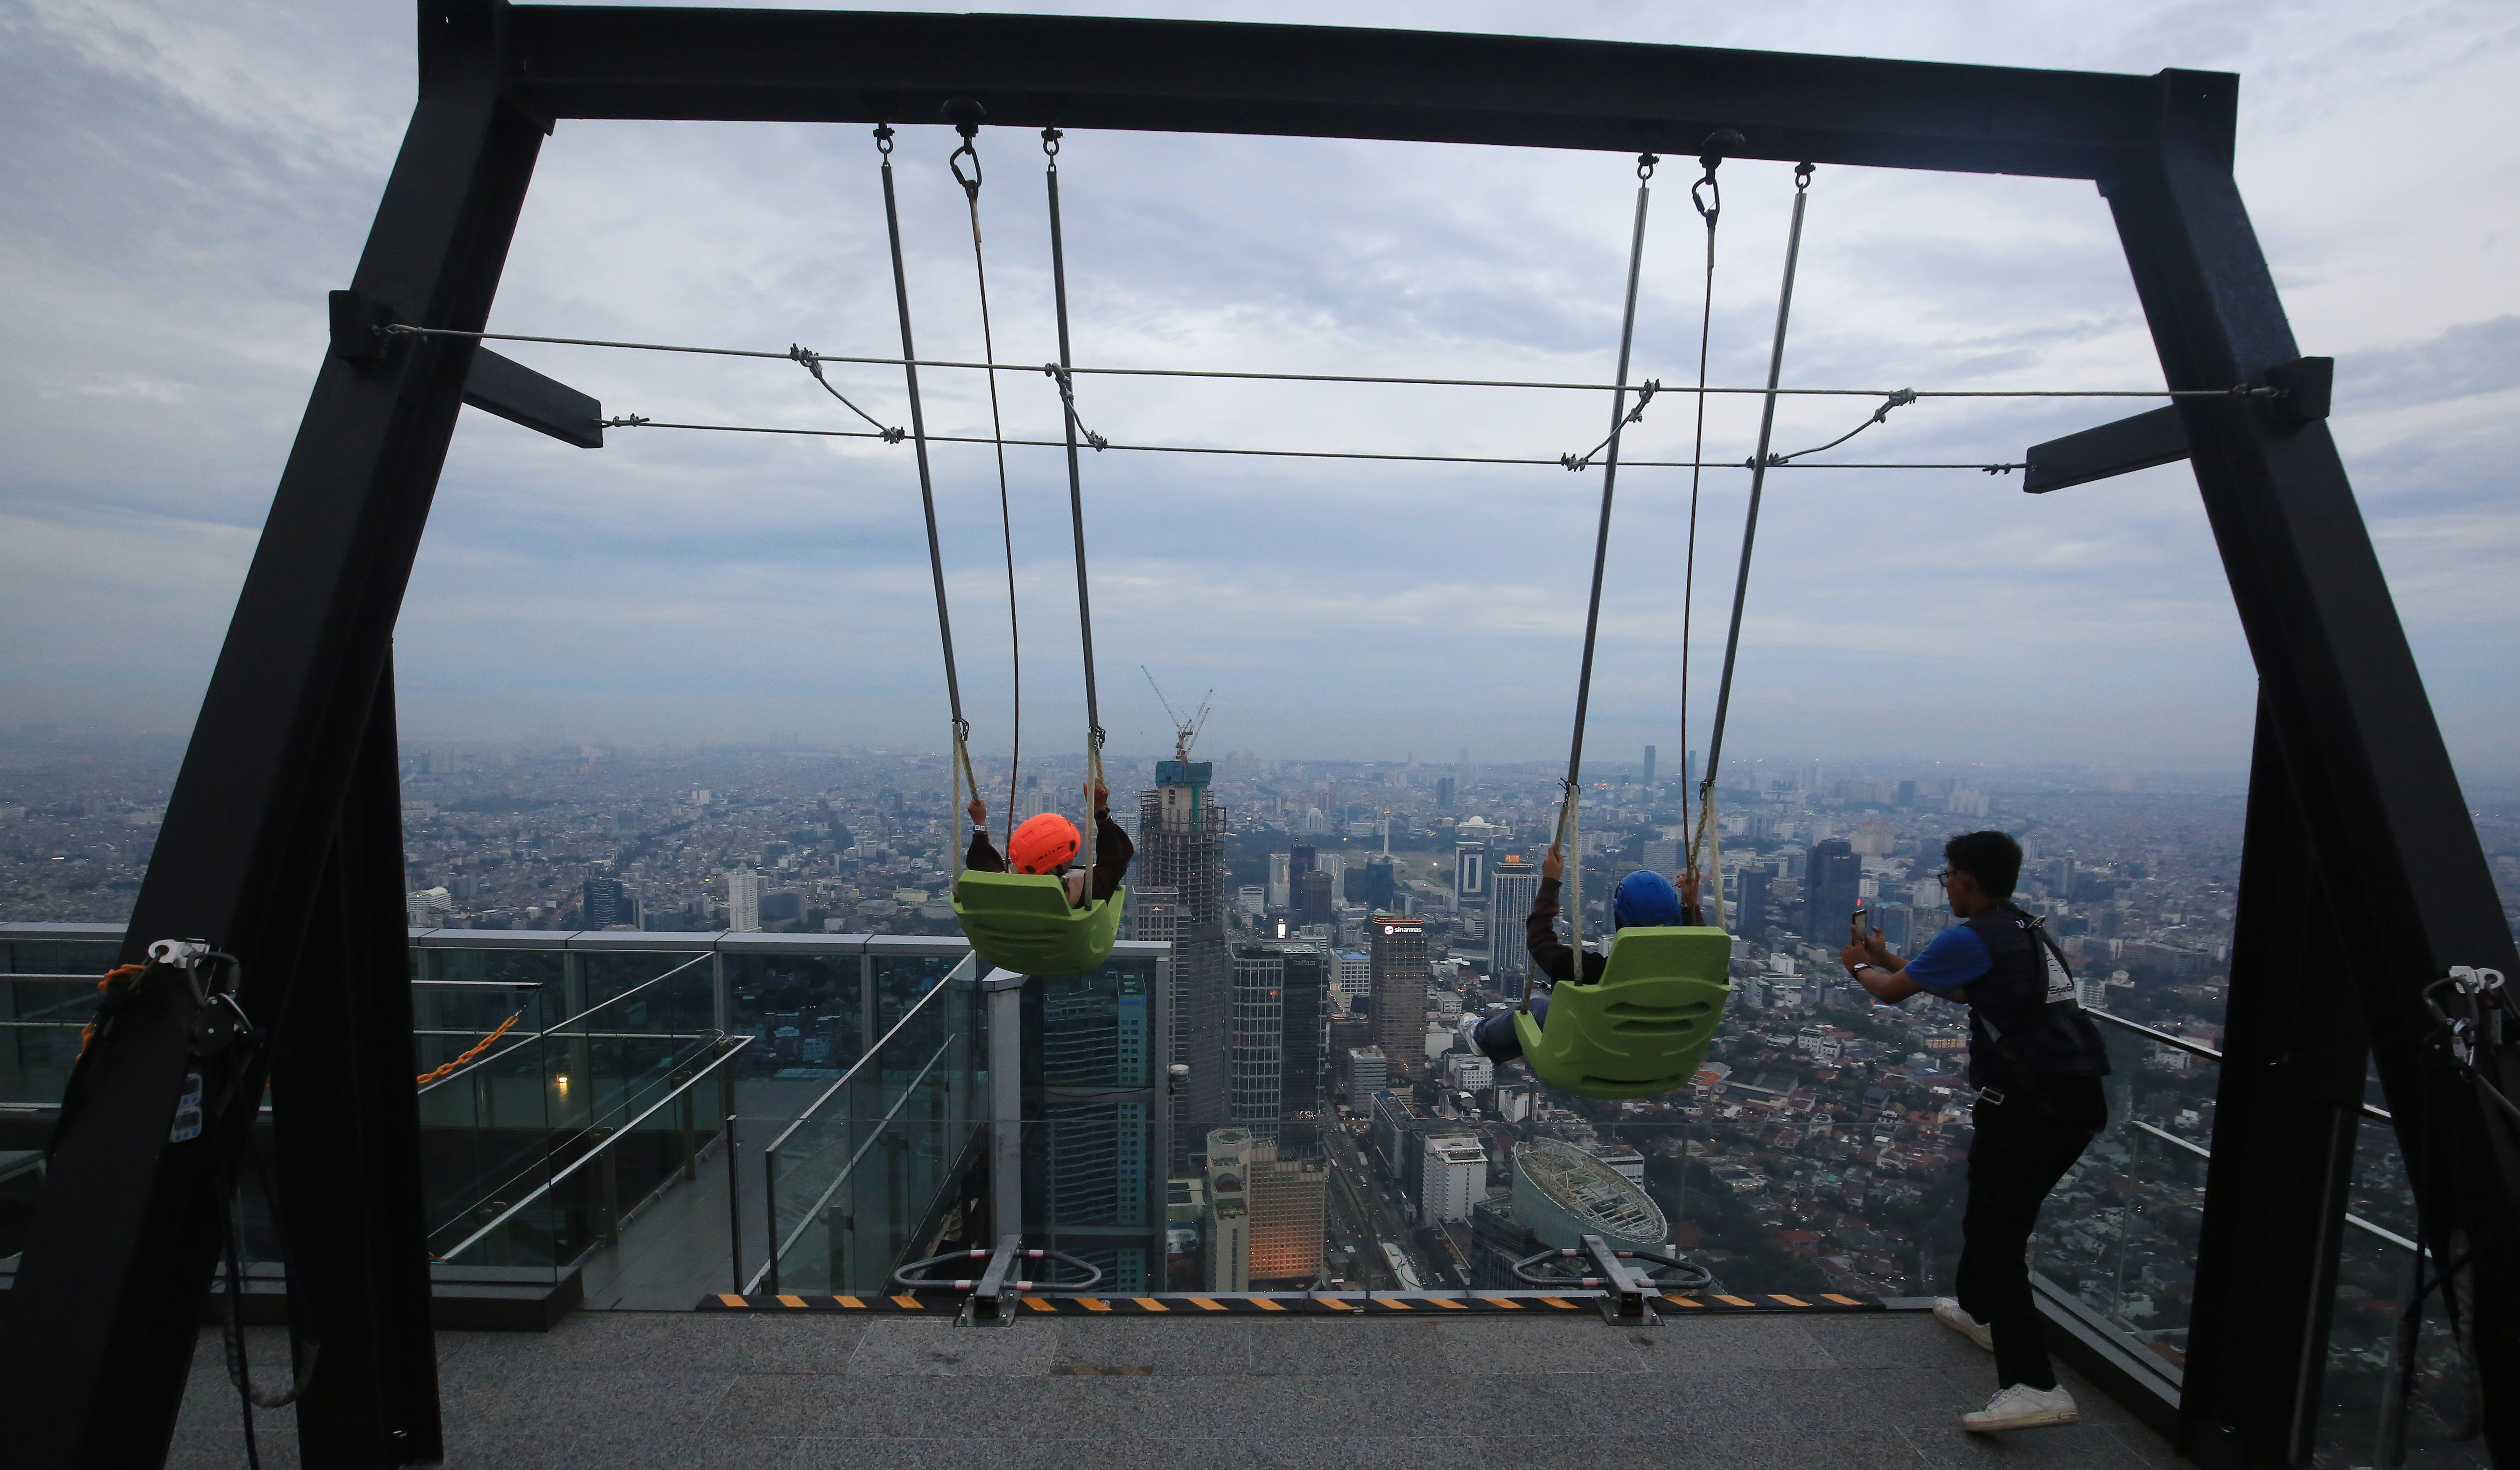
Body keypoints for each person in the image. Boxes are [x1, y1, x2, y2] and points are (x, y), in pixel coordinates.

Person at [1838, 829, 2111, 1435]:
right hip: (2071, 1095)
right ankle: (1980, 1312)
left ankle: (2035, 1386)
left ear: (1966, 879)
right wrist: (1886, 958)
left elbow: (1888, 998)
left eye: (1947, 877)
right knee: (1991, 1215)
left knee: (1997, 1233)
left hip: (2032, 1104)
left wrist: (1861, 968)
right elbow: (1965, 990)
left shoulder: (1970, 934)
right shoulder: (2021, 929)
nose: (1945, 888)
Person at [1463, 842, 1702, 1063]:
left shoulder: (1597, 971)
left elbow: (1541, 943)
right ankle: (1489, 1028)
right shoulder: (1697, 971)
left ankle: (1480, 1037)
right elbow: (1701, 949)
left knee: (1536, 1009)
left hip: (1599, 1058)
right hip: (1663, 1061)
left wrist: (1551, 882)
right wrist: (1692, 907)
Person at [963, 780, 1132, 907]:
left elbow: (981, 862)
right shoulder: (1079, 895)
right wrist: (1100, 810)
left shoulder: (1000, 888)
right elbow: (1116, 859)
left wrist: (979, 822)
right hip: (1065, 951)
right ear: (1060, 863)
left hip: (1003, 951)